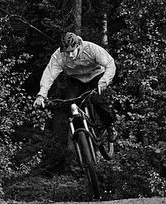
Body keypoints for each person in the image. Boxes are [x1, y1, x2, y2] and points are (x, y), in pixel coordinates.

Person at [33, 31, 116, 164]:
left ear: (78, 45)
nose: (70, 55)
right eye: (67, 52)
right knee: (70, 104)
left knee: (97, 100)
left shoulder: (91, 49)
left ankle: (110, 125)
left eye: (72, 51)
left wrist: (105, 80)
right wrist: (41, 95)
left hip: (96, 76)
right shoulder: (59, 56)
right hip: (75, 79)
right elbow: (49, 74)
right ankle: (81, 138)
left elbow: (110, 64)